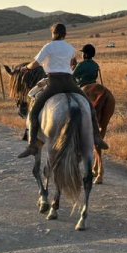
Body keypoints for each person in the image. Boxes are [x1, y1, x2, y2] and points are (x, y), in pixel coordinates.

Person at [17, 24, 108, 157]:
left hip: (54, 83)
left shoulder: (48, 47)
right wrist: (68, 68)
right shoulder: (70, 48)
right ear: (65, 34)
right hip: (69, 82)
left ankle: (32, 145)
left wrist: (27, 68)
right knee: (89, 106)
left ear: (53, 33)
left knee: (34, 111)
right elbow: (74, 63)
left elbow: (36, 63)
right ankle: (97, 138)